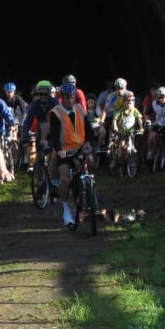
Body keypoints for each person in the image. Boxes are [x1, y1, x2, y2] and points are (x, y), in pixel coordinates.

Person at [47, 82, 97, 229]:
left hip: (80, 147)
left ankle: (87, 190)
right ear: (62, 98)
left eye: (72, 98)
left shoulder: (80, 109)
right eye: (67, 98)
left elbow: (88, 128)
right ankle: (66, 209)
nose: (70, 101)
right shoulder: (56, 112)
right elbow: (55, 136)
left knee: (90, 160)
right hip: (65, 149)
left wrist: (90, 143)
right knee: (65, 177)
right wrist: (59, 149)